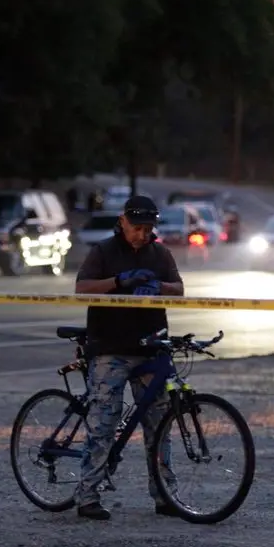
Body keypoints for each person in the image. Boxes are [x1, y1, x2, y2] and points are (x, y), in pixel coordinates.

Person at [73, 195, 186, 520]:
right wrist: (119, 281)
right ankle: (87, 496)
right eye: (136, 227)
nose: (142, 234)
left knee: (159, 425)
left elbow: (179, 288)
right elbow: (82, 288)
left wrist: (157, 286)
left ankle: (165, 495)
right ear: (122, 222)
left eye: (148, 228)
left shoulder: (160, 252)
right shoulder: (103, 251)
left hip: (150, 349)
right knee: (103, 423)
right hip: (110, 348)